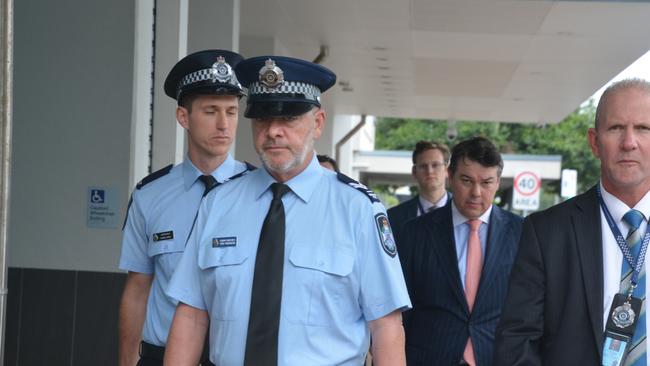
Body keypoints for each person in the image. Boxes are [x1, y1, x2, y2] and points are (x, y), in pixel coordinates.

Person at [163, 56, 411, 366]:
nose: (273, 131)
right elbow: (191, 315)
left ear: (318, 123)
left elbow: (385, 327)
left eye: (289, 119)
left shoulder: (357, 210)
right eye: (263, 118)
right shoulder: (218, 204)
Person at [494, 78, 650, 365]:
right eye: (616, 128)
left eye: (643, 128)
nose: (629, 142)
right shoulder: (546, 232)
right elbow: (517, 341)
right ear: (594, 142)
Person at [118, 49, 252, 366]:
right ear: (183, 117)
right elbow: (137, 289)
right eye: (210, 111)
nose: (224, 124)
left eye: (231, 112)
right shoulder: (150, 195)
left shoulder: (260, 194)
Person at [398, 136, 523, 366]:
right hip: (429, 357)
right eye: (467, 180)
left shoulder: (522, 233)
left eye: (486, 182)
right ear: (450, 177)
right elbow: (400, 309)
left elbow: (529, 309)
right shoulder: (415, 233)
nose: (476, 192)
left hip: (497, 357)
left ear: (497, 183)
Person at [388, 140, 450, 243]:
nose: (429, 171)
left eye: (435, 165)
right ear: (414, 172)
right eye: (423, 166)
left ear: (447, 170)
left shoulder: (463, 211)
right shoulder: (393, 217)